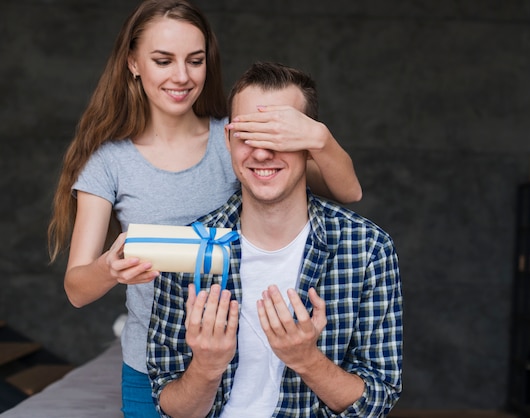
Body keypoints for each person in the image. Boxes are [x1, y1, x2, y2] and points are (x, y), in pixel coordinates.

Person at [46, 1, 362, 417]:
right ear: (133, 64)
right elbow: (76, 289)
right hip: (153, 369)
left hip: (244, 358)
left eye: (195, 61)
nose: (182, 76)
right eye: (163, 60)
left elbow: (348, 191)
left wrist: (318, 137)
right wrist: (111, 268)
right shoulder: (109, 163)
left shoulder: (238, 137)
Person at [148, 61, 403, 417]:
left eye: (280, 137)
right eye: (249, 134)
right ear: (228, 140)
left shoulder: (366, 248)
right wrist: (206, 367)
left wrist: (307, 360)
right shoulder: (187, 249)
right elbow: (170, 408)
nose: (263, 153)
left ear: (310, 145)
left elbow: (378, 399)